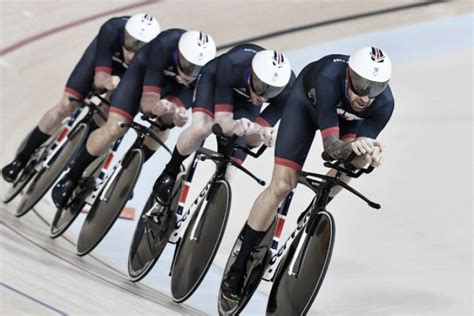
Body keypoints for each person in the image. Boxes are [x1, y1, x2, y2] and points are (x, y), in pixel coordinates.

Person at [221, 46, 394, 301]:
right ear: (348, 75)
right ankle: (239, 264)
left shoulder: (385, 103)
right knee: (281, 186)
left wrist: (371, 153)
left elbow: (356, 151)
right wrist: (352, 148)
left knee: (355, 160)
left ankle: (317, 207)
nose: (366, 96)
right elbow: (332, 147)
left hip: (347, 123)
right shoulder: (328, 78)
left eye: (375, 88)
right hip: (305, 106)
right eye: (360, 84)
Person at [51, 29, 216, 208]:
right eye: (187, 65)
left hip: (176, 89)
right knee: (115, 128)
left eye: (197, 69)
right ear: (178, 54)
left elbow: (180, 109)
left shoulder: (206, 75)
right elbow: (147, 103)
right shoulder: (163, 45)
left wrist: (176, 114)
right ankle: (73, 175)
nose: (190, 73)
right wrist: (158, 107)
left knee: (163, 127)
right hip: (141, 76)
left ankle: (128, 173)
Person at [2, 13, 160, 182]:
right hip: (103, 62)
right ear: (124, 34)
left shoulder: (156, 57)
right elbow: (100, 78)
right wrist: (106, 81)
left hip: (129, 76)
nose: (131, 54)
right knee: (66, 105)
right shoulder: (111, 29)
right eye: (130, 44)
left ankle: (81, 153)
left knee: (109, 113)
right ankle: (22, 158)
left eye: (140, 48)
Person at [151, 44, 296, 207]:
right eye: (261, 87)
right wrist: (237, 127)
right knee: (201, 128)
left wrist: (262, 133)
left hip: (246, 104)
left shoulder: (289, 89)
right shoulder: (232, 63)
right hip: (215, 82)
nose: (263, 97)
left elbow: (251, 141)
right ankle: (170, 171)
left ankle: (207, 212)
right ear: (252, 73)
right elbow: (223, 123)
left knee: (230, 171)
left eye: (272, 91)